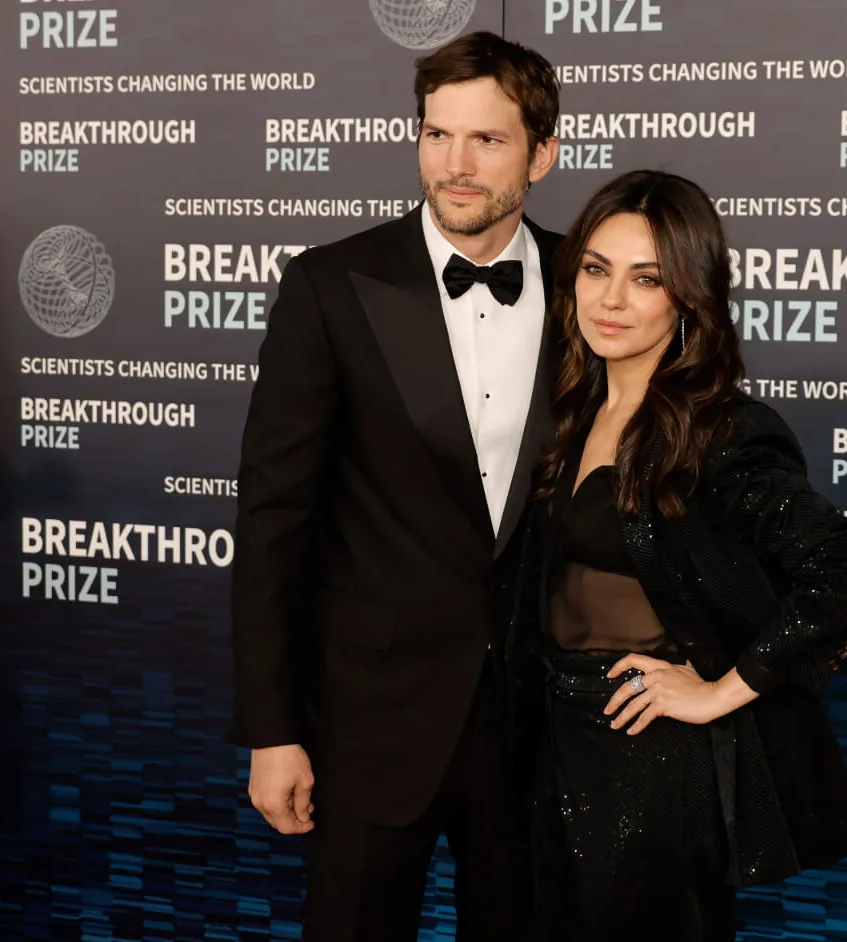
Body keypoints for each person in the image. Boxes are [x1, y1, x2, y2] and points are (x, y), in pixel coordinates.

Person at [227, 31, 562, 941]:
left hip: (538, 732)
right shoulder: (332, 286)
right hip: (367, 724)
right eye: (437, 134)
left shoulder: (590, 290)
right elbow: (273, 522)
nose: (455, 165)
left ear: (542, 153)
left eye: (487, 140)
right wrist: (272, 730)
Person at [510, 169, 847, 941]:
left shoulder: (720, 432)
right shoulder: (567, 410)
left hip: (652, 761)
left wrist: (718, 691)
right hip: (549, 742)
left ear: (688, 298)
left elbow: (844, 577)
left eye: (646, 279)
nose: (612, 299)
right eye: (596, 269)